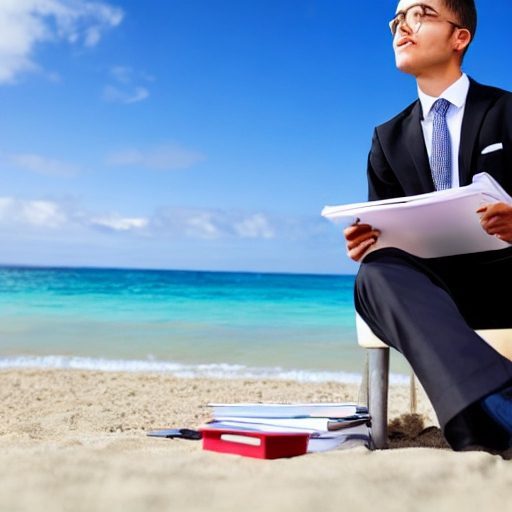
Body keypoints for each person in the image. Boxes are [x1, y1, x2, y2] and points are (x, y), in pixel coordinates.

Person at [344, 0, 512, 455]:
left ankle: (485, 418)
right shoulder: (387, 137)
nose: (402, 26)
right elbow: (385, 223)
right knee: (374, 272)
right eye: (397, 19)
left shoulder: (507, 111)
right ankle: (502, 403)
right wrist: (369, 241)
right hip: (430, 295)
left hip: (506, 279)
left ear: (460, 37)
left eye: (420, 12)